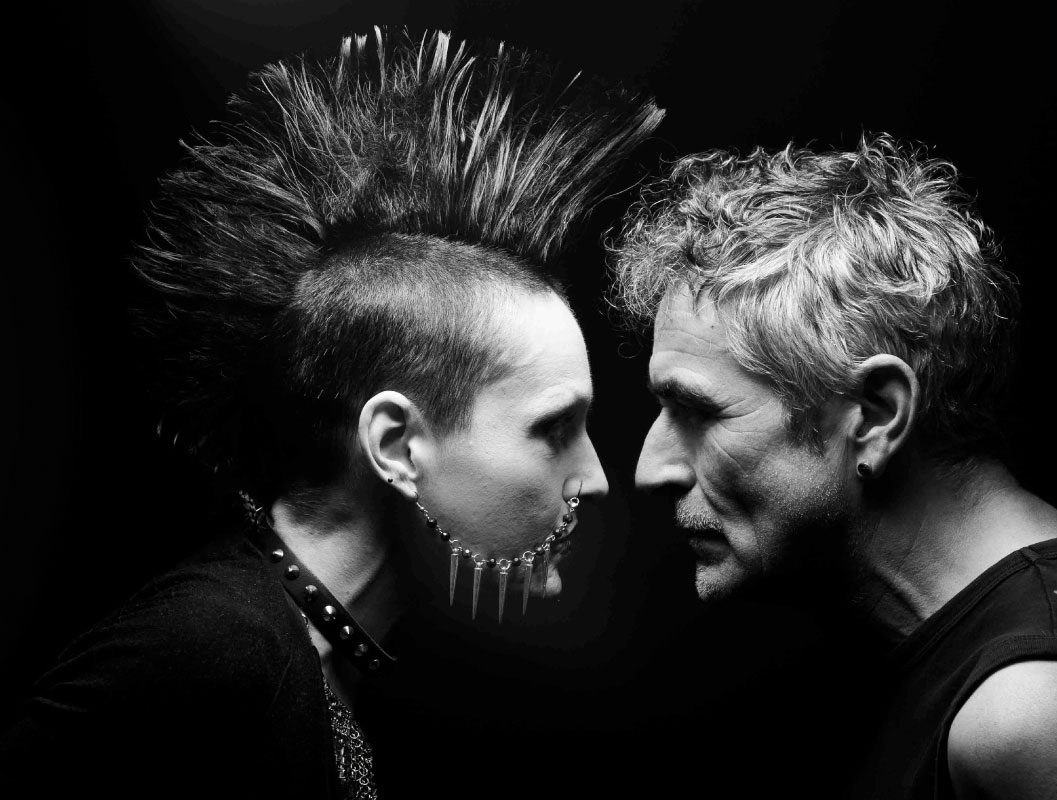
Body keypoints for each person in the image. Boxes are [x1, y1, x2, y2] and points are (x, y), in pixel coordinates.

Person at [0, 28, 661, 798]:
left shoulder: (317, 655)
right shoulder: (207, 650)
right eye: (553, 430)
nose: (596, 479)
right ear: (396, 444)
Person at [610, 136, 1057, 798]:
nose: (650, 469)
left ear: (877, 414)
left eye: (699, 412)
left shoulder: (1042, 710)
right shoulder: (934, 649)